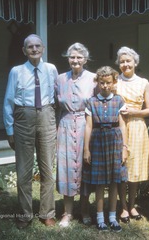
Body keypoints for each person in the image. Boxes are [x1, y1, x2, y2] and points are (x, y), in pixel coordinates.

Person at [3, 34, 58, 229]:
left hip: (46, 116)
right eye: (30, 47)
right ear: (24, 50)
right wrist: (10, 130)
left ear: (43, 48)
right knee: (23, 171)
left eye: (37, 46)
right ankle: (25, 214)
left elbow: (56, 97)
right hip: (23, 118)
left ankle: (47, 213)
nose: (34, 49)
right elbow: (9, 101)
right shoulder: (16, 71)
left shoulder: (51, 69)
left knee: (47, 170)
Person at [55, 42, 97, 227]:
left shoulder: (94, 78)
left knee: (84, 167)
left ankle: (85, 209)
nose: (75, 60)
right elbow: (55, 105)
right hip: (65, 125)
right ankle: (67, 212)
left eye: (79, 57)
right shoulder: (60, 79)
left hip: (85, 125)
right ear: (68, 59)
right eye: (72, 57)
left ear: (85, 60)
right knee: (65, 168)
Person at [82, 66, 128, 232]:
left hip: (115, 141)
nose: (105, 86)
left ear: (114, 82)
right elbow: (88, 126)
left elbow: (123, 125)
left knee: (114, 181)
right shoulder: (91, 102)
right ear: (98, 82)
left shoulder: (119, 100)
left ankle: (112, 217)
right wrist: (86, 149)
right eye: (102, 82)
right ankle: (100, 218)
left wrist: (124, 147)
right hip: (97, 142)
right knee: (100, 182)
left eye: (109, 83)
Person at [115, 46, 149, 223]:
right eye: (122, 61)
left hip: (138, 127)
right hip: (119, 126)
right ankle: (122, 206)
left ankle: (132, 205)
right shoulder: (115, 81)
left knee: (134, 169)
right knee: (121, 167)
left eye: (128, 61)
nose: (125, 64)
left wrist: (134, 112)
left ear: (135, 62)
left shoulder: (144, 82)